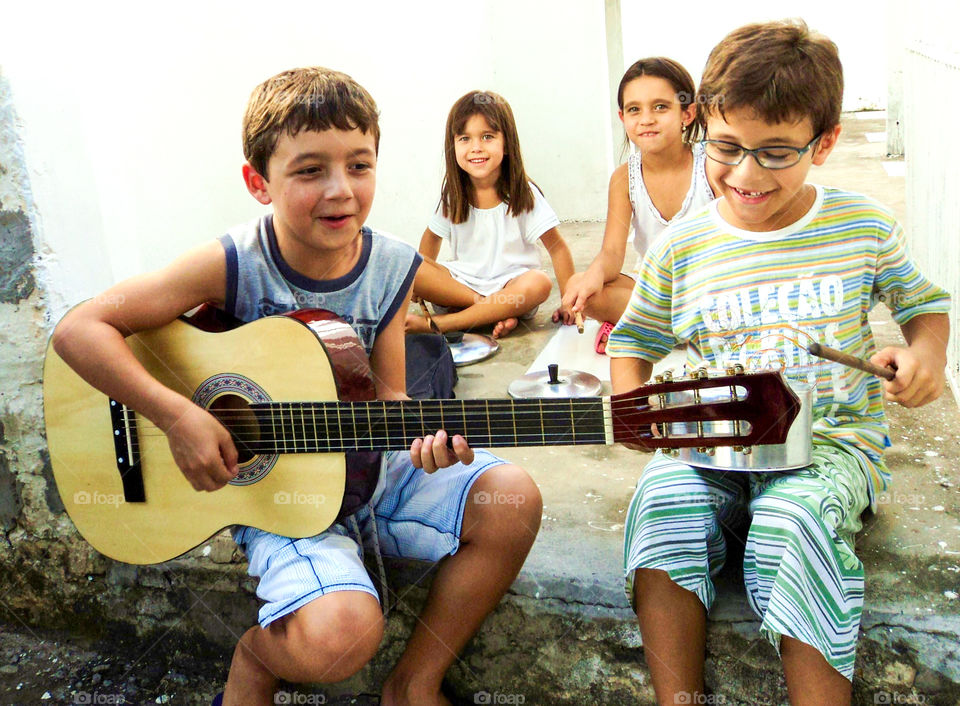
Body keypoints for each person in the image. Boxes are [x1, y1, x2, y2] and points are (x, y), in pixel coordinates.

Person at [52, 67, 543, 706]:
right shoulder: (232, 262)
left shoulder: (394, 266)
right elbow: (78, 329)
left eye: (359, 165)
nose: (341, 190)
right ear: (260, 182)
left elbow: (387, 398)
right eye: (310, 170)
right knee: (340, 638)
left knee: (513, 497)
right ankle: (258, 657)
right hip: (277, 497)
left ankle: (413, 684)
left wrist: (423, 430)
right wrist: (176, 415)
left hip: (371, 469)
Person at [606, 20, 950, 706]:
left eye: (776, 153)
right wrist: (642, 418)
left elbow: (925, 309)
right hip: (715, 444)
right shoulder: (685, 245)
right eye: (727, 147)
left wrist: (923, 357)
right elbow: (632, 342)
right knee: (661, 501)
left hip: (830, 445)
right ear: (703, 125)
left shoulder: (862, 226)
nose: (745, 174)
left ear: (824, 143)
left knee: (792, 523)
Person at [559, 57, 716, 354]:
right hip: (655, 292)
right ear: (622, 118)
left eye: (660, 107)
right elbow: (612, 253)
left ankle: (644, 327)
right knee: (582, 285)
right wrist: (590, 279)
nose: (646, 119)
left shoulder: (710, 166)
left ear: (687, 113)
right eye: (634, 109)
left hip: (709, 290)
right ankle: (674, 329)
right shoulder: (624, 178)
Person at [405, 90, 574, 339]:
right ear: (453, 146)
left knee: (539, 282)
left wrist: (569, 301)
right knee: (408, 263)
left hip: (511, 288)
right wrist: (421, 284)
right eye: (464, 138)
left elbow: (558, 247)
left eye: (487, 137)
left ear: (507, 145)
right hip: (461, 287)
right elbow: (431, 239)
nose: (476, 148)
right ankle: (492, 311)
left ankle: (445, 324)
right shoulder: (453, 194)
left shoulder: (523, 194)